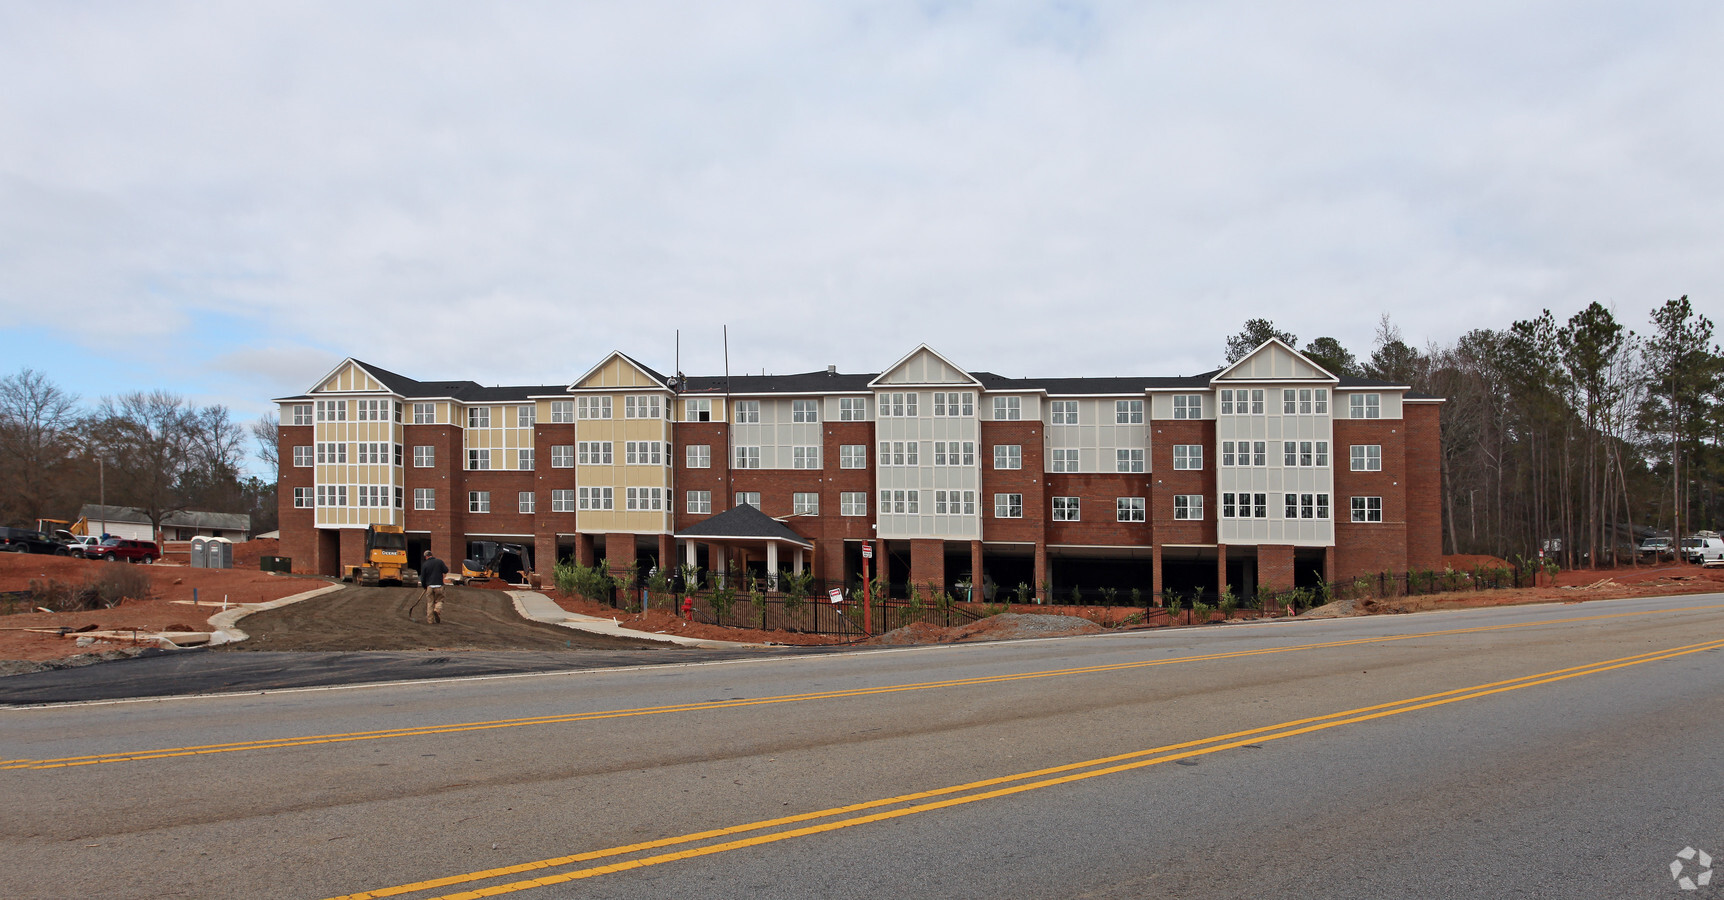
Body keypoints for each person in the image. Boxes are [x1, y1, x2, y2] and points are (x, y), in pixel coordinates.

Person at [419, 551, 449, 624]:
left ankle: (430, 620)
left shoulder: (425, 564)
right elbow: (446, 570)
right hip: (439, 585)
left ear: (426, 557)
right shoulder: (439, 562)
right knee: (440, 600)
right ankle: (437, 610)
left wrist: (424, 586)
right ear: (432, 555)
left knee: (430, 603)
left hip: (429, 586)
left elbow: (422, 577)